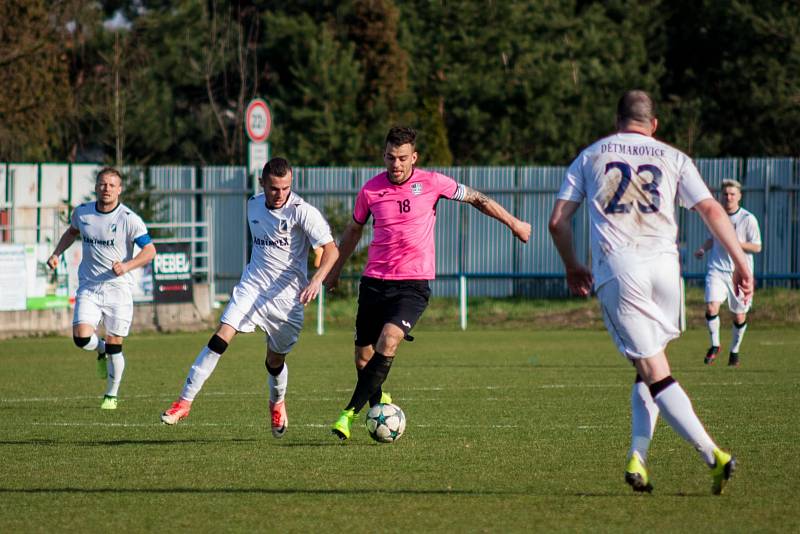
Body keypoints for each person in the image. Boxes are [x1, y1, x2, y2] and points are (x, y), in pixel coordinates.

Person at [548, 90, 754, 495]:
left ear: (617, 120)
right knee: (649, 366)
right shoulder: (674, 157)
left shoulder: (591, 155)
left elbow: (558, 221)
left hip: (621, 271)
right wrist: (741, 264)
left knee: (654, 371)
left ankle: (714, 455)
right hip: (666, 271)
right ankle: (637, 458)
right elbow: (712, 209)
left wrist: (573, 265)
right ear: (653, 124)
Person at [324, 126, 531, 440]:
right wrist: (336, 269)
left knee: (389, 340)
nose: (396, 164)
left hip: (412, 285)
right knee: (363, 358)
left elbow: (477, 199)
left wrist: (514, 223)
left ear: (414, 157)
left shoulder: (433, 183)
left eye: (403, 158)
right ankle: (379, 404)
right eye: (391, 157)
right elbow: (353, 232)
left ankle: (348, 414)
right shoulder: (370, 191)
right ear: (383, 155)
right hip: (374, 282)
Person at [160, 157, 338, 438]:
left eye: (285, 188)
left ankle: (277, 402)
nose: (280, 195)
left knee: (274, 361)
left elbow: (331, 250)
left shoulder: (303, 212)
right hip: (252, 287)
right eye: (274, 188)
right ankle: (184, 401)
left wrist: (316, 280)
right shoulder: (253, 204)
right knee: (221, 336)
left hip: (287, 299)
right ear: (262, 184)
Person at [47, 167, 157, 410]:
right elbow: (71, 232)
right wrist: (56, 254)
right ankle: (100, 349)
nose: (106, 189)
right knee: (81, 337)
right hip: (89, 286)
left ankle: (111, 394)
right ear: (96, 187)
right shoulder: (83, 213)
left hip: (118, 289)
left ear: (119, 189)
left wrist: (128, 265)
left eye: (111, 185)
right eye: (102, 184)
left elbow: (150, 251)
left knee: (116, 342)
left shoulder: (129, 219)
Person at [694, 179, 761, 367]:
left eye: (732, 194)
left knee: (739, 316)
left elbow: (757, 247)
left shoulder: (748, 219)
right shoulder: (716, 216)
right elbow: (711, 239)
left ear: (739, 196)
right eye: (726, 194)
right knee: (711, 307)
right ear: (721, 196)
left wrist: (733, 242)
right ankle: (715, 345)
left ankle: (734, 351)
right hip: (716, 269)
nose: (729, 197)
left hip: (738, 274)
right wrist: (702, 249)